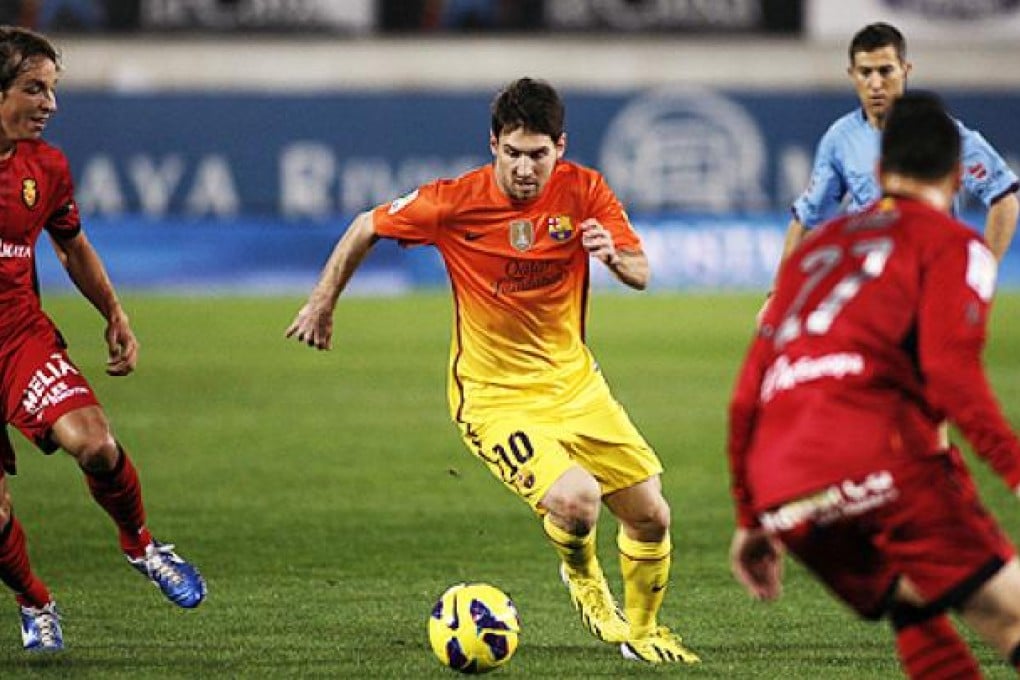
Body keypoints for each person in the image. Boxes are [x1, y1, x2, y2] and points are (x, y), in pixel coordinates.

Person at [287, 77, 699, 665]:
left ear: (561, 146)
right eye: (513, 153)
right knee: (578, 499)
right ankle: (584, 580)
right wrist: (321, 304)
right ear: (493, 145)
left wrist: (612, 256)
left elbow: (641, 272)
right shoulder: (454, 202)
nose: (525, 169)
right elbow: (365, 225)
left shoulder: (585, 190)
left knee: (652, 516)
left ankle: (644, 632)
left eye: (538, 154)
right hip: (494, 397)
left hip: (576, 386)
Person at [728, 92, 1020, 678]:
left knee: (915, 600)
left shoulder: (816, 252)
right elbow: (952, 375)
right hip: (878, 464)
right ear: (956, 176)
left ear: (880, 170)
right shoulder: (953, 244)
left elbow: (747, 393)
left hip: (782, 489)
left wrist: (751, 518)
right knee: (1011, 616)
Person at [0, 26, 206, 652]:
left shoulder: (45, 168)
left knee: (94, 443)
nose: (50, 104)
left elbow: (71, 246)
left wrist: (113, 312)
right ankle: (35, 602)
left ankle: (142, 545)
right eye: (34, 89)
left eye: (51, 89)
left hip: (18, 339)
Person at [766, 22, 1019, 309]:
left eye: (885, 71)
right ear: (852, 75)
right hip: (866, 289)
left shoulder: (940, 131)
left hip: (927, 284)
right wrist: (778, 296)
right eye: (865, 72)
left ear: (905, 70)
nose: (876, 84)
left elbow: (1004, 199)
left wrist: (981, 277)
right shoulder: (840, 139)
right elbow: (806, 221)